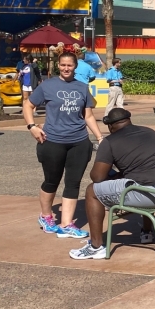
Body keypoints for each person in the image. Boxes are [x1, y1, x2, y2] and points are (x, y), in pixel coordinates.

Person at [68, 108, 155, 260]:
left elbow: (97, 177)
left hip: (152, 195)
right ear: (128, 120)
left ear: (110, 126)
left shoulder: (109, 142)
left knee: (92, 191)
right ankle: (147, 232)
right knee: (139, 179)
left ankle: (96, 247)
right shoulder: (150, 132)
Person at [23, 51, 105, 239]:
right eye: (63, 65)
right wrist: (32, 126)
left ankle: (66, 224)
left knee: (73, 183)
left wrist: (100, 137)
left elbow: (88, 116)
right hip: (52, 141)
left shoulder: (82, 87)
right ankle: (46, 216)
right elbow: (28, 105)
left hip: (79, 142)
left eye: (69, 65)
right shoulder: (47, 86)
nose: (66, 68)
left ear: (75, 66)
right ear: (58, 66)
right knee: (51, 181)